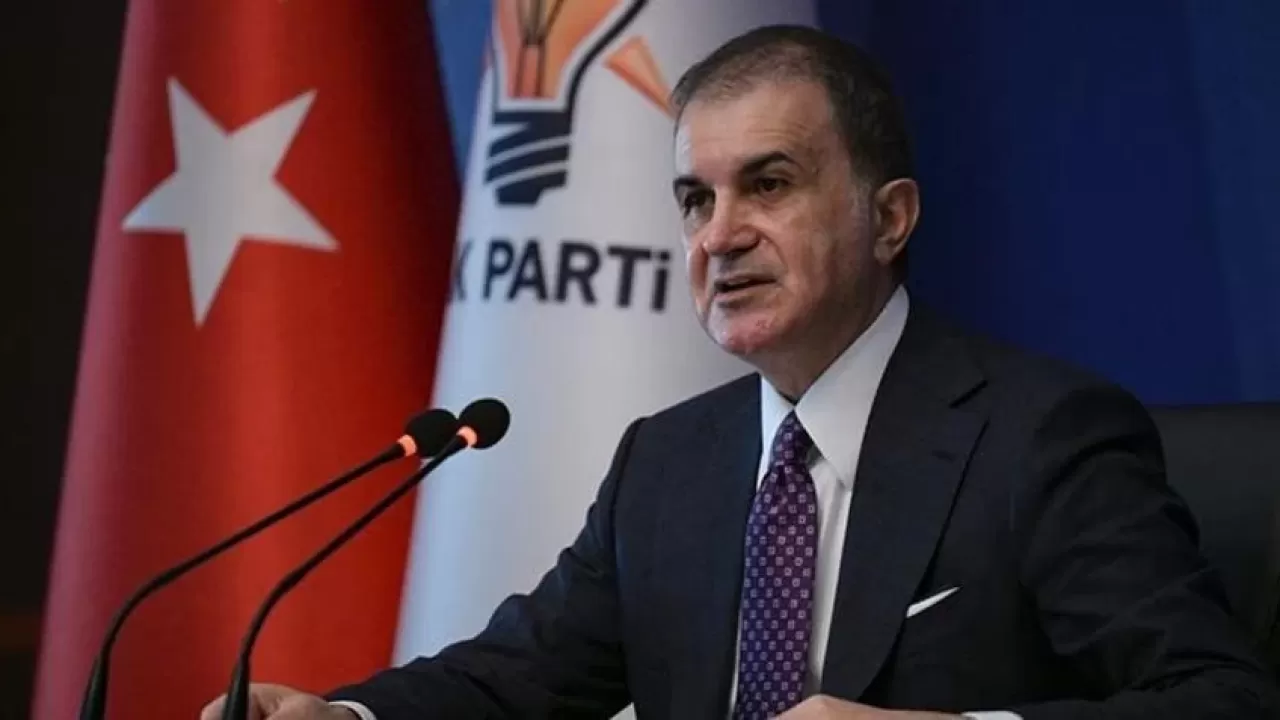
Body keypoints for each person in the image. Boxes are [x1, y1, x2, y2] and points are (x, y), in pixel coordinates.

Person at [202, 25, 1279, 720]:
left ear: (889, 218)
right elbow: (516, 677)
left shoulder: (1037, 436)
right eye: (694, 199)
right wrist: (346, 717)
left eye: (768, 184)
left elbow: (1219, 698)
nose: (718, 235)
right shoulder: (669, 462)